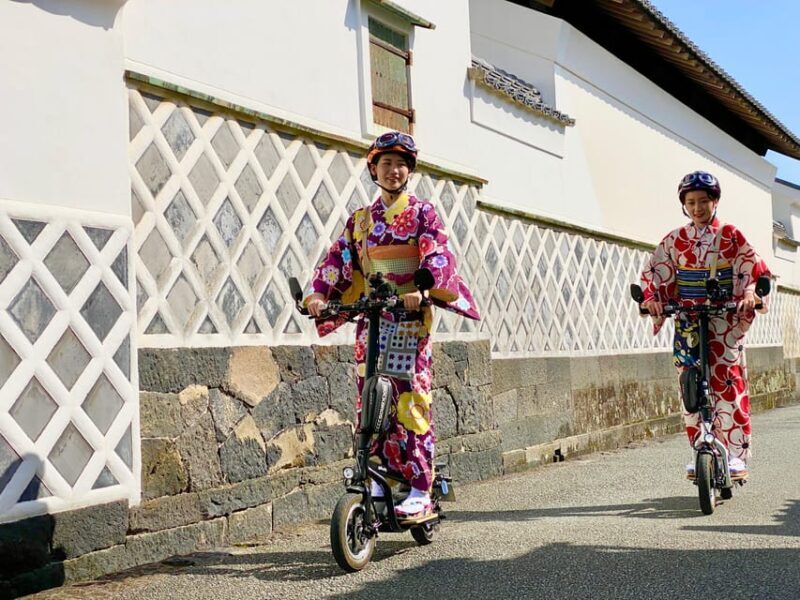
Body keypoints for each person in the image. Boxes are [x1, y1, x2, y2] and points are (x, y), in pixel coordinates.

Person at [305, 131, 480, 518]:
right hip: (372, 323)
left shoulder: (423, 214)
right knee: (370, 402)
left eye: (401, 164)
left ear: (410, 170)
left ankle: (419, 484)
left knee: (408, 399)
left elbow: (437, 254)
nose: (394, 171)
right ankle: (377, 482)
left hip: (408, 320)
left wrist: (425, 287)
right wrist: (318, 294)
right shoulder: (361, 222)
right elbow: (338, 261)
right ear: (373, 169)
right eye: (386, 163)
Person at [640, 171, 771, 479]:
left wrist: (751, 294)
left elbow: (754, 271)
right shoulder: (674, 239)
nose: (697, 208)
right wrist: (653, 299)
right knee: (691, 385)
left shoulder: (731, 235)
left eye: (703, 201)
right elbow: (653, 275)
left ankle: (736, 455)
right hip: (687, 321)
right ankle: (701, 445)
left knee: (728, 383)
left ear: (715, 201)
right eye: (690, 202)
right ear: (683, 205)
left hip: (724, 320)